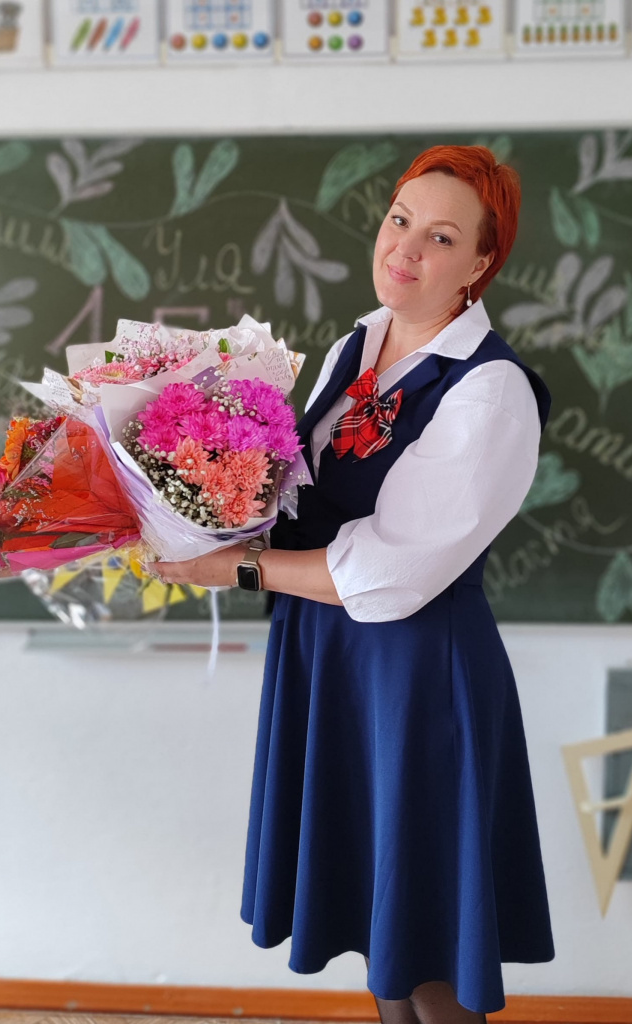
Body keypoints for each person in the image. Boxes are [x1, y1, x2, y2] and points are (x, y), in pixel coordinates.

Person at [147, 145, 555, 1024]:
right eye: (399, 220)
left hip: (416, 675)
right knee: (379, 931)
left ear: (479, 263)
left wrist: (237, 566)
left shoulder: (489, 391)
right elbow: (302, 498)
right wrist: (186, 504)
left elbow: (391, 570)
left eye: (440, 236)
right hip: (329, 656)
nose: (405, 247)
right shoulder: (358, 344)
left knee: (425, 944)